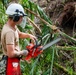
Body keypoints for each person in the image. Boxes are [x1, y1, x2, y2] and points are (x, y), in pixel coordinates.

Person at [1, 3, 36, 75]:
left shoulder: (12, 27)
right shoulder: (9, 32)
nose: (22, 19)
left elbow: (19, 34)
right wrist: (23, 52)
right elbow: (11, 54)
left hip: (14, 61)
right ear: (16, 17)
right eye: (21, 17)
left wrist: (29, 35)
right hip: (10, 62)